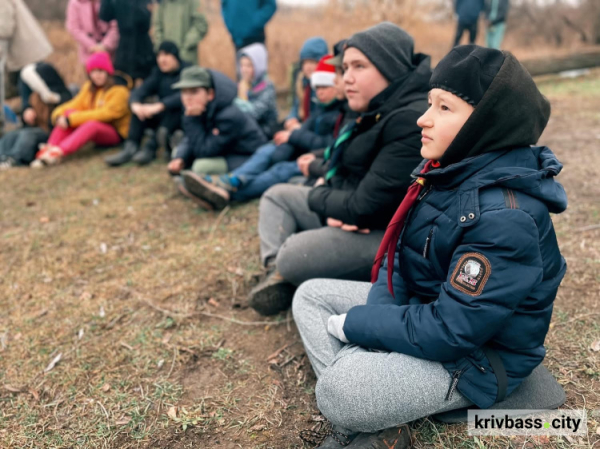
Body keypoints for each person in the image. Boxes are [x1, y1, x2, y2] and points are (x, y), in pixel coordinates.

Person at [292, 45, 566, 449]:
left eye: (444, 108)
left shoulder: (507, 217)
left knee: (339, 392)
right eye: (428, 104)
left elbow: (453, 330)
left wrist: (358, 327)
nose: (424, 118)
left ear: (484, 124)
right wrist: (375, 327)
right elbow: (398, 261)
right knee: (310, 296)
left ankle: (366, 409)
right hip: (423, 311)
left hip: (475, 358)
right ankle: (380, 420)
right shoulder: (443, 174)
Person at [248, 23, 431, 316]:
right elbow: (350, 173)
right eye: (345, 68)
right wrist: (332, 196)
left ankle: (285, 267)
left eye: (359, 66)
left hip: (383, 237)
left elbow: (364, 207)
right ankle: (276, 273)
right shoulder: (375, 107)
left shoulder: (408, 119)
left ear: (390, 67)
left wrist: (321, 192)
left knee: (294, 253)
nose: (346, 78)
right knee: (276, 195)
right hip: (348, 207)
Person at [180, 54, 346, 209]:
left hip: (309, 156)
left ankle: (228, 193)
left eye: (325, 86)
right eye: (317, 87)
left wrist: (294, 135)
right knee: (267, 151)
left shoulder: (339, 114)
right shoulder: (320, 110)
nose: (320, 92)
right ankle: (230, 181)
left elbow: (330, 143)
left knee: (279, 169)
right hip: (292, 149)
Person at [167, 66, 267, 205]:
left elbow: (205, 151)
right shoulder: (203, 108)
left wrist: (190, 120)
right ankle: (192, 180)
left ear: (210, 94)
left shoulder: (228, 115)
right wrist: (180, 157)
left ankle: (204, 186)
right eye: (184, 92)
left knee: (201, 166)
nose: (188, 98)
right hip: (223, 151)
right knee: (179, 152)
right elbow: (192, 138)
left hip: (247, 156)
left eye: (194, 91)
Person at [31, 52, 131, 167]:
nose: (97, 75)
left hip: (116, 132)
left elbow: (105, 114)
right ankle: (50, 147)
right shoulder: (89, 87)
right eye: (93, 72)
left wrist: (71, 120)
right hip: (96, 128)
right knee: (68, 113)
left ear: (107, 72)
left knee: (90, 124)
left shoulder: (119, 91)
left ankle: (59, 152)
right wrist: (59, 114)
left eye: (100, 71)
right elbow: (76, 104)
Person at [105, 41, 188, 167]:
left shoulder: (187, 71)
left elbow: (185, 96)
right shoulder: (158, 73)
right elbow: (141, 90)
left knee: (173, 110)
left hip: (181, 118)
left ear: (175, 56)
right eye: (159, 55)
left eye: (166, 55)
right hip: (161, 114)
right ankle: (131, 146)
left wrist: (161, 105)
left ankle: (151, 147)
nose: (161, 59)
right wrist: (135, 104)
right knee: (141, 108)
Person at [0, 62, 73, 169]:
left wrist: (51, 99)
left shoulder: (61, 95)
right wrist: (27, 111)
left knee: (28, 136)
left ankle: (16, 159)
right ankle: (3, 157)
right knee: (11, 135)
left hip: (48, 130)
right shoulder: (32, 97)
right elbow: (26, 103)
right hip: (33, 126)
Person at [0, 0, 53, 134]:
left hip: (26, 53)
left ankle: (38, 128)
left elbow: (4, 29)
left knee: (29, 95)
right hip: (20, 54)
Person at [99, 0, 155, 83]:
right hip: (124, 46)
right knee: (121, 79)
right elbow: (105, 15)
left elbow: (145, 16)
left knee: (147, 80)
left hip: (142, 44)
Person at [234, 43, 278, 140]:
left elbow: (254, 113)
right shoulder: (242, 84)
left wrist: (241, 98)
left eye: (249, 66)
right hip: (249, 130)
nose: (244, 70)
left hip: (266, 132)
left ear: (258, 66)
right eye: (242, 65)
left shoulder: (267, 87)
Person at [284, 37, 328, 131]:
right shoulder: (302, 82)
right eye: (305, 63)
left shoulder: (324, 87)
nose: (307, 67)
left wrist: (301, 128)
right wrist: (292, 118)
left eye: (312, 62)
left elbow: (318, 114)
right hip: (302, 126)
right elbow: (296, 105)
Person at [152, 0, 208, 64]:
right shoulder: (162, 3)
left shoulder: (192, 2)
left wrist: (187, 44)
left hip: (186, 55)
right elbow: (157, 26)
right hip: (166, 58)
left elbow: (201, 25)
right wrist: (162, 49)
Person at [66, 0, 120, 66]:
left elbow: (116, 26)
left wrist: (105, 45)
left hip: (112, 52)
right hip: (88, 53)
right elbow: (74, 28)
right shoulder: (75, 2)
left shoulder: (110, 1)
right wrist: (92, 46)